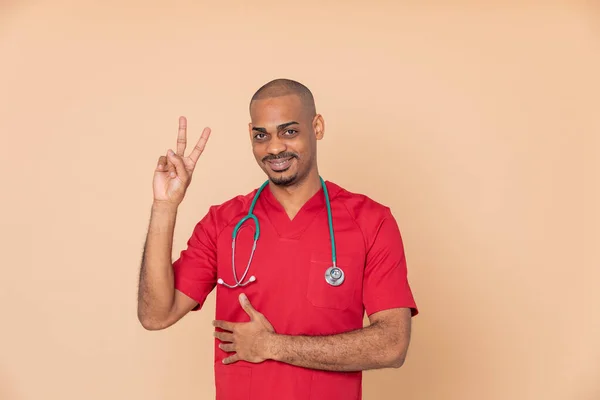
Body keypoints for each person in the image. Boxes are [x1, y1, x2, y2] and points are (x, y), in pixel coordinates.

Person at [137, 78, 418, 400]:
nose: (273, 148)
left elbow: (392, 345)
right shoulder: (223, 223)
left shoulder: (371, 221)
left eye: (289, 131)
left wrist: (273, 346)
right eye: (261, 135)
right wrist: (165, 206)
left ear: (317, 127)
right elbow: (156, 315)